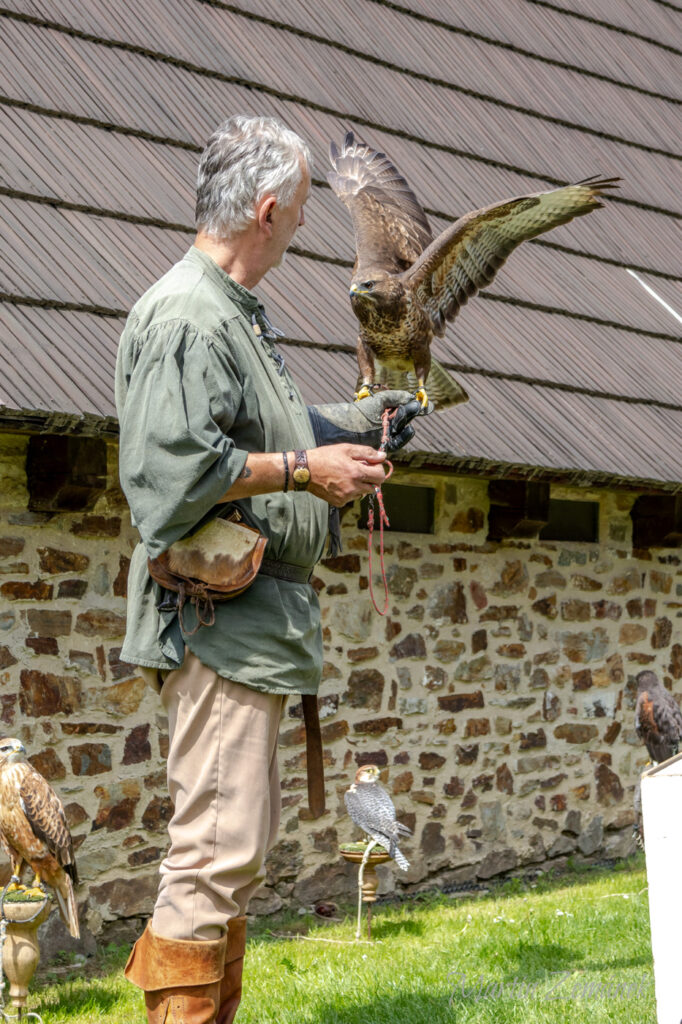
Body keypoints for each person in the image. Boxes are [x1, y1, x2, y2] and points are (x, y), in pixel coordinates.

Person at [115, 114, 423, 1024]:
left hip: (252, 628)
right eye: (296, 211)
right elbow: (172, 481)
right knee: (212, 856)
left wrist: (354, 425)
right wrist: (305, 470)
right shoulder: (187, 315)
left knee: (234, 850)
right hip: (219, 626)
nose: (301, 227)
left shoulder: (234, 314)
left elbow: (254, 428)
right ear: (265, 209)